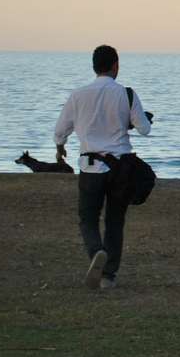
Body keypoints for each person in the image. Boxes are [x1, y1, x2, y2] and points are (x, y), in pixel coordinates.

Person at [53, 45, 152, 290]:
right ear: (115, 66)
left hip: (90, 167)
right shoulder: (126, 94)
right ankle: (108, 276)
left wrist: (60, 146)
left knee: (87, 218)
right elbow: (144, 129)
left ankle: (97, 252)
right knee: (115, 221)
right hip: (121, 169)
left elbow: (60, 131)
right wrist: (134, 120)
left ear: (94, 66)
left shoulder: (78, 95)